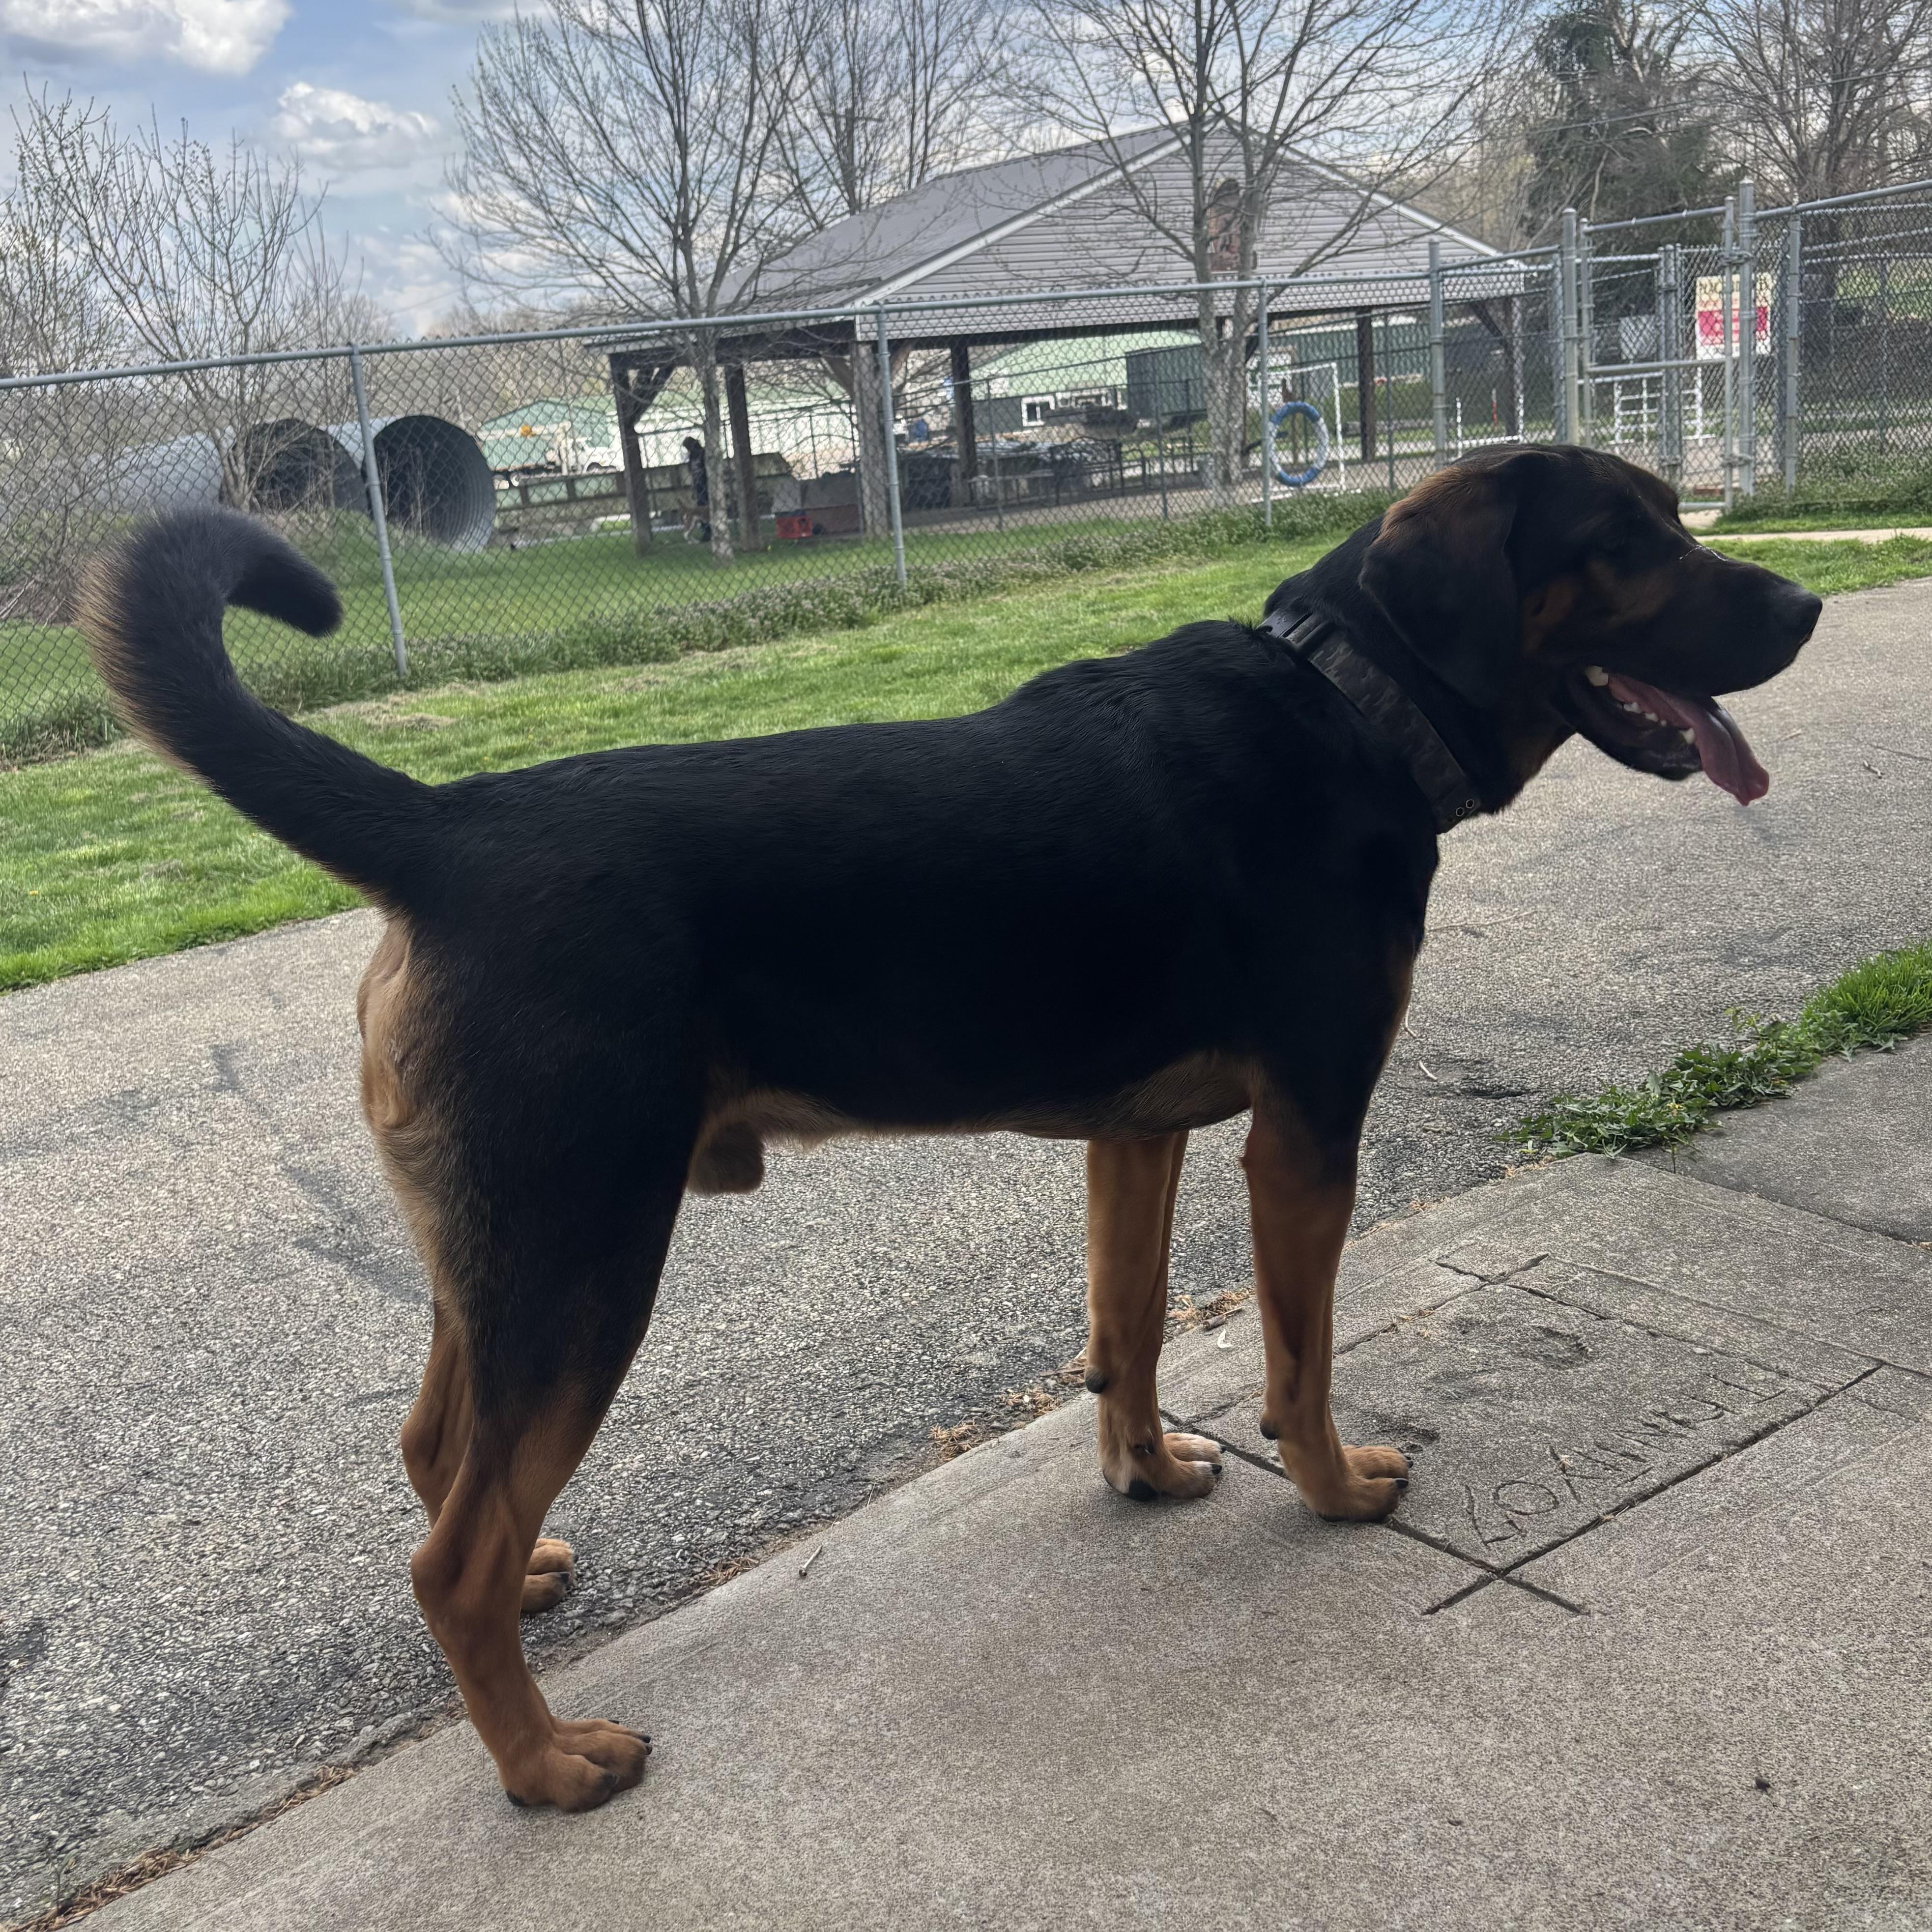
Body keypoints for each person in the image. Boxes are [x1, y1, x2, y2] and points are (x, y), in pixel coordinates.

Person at [681, 435, 711, 542]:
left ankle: (709, 531)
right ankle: (707, 531)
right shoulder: (692, 457)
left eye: (688, 447)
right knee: (701, 509)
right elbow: (692, 472)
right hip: (698, 484)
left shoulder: (702, 453)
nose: (688, 450)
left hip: (706, 483)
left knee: (707, 508)